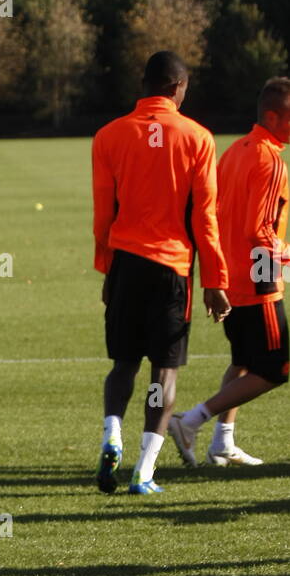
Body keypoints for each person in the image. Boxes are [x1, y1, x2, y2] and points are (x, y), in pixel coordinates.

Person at [92, 50, 230, 495]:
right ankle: (144, 471)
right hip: (171, 269)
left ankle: (112, 431)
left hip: (126, 264)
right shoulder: (198, 137)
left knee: (123, 364)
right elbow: (205, 218)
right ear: (176, 88)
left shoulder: (109, 136)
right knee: (164, 372)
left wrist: (107, 269)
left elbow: (103, 213)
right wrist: (215, 280)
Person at [169, 76, 290, 468]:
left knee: (243, 361)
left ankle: (223, 442)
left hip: (230, 274)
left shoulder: (236, 150)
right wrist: (286, 259)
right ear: (273, 116)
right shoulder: (271, 160)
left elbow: (214, 215)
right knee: (277, 368)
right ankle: (191, 420)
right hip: (259, 279)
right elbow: (261, 230)